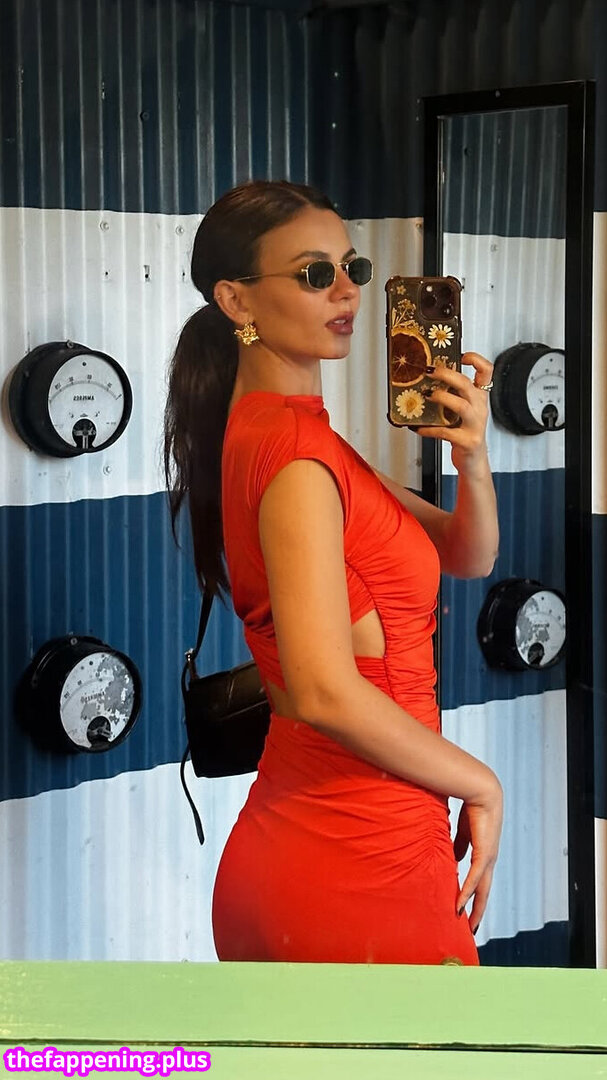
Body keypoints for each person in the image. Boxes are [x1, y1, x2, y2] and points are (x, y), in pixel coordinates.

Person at [164, 179, 503, 965]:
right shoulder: (294, 458)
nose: (347, 291)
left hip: (338, 840)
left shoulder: (295, 437)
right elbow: (321, 689)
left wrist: (472, 459)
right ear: (236, 301)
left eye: (351, 268)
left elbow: (467, 554)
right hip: (353, 857)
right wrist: (481, 783)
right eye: (314, 274)